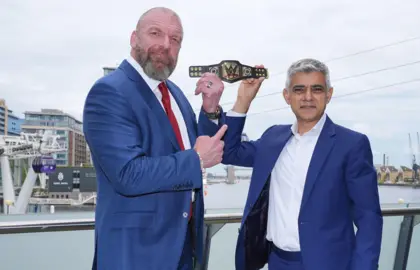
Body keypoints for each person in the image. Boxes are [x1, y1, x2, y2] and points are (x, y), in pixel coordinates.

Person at [83, 7, 227, 270]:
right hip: (137, 255)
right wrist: (196, 159)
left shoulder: (175, 94)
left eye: (175, 39)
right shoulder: (109, 92)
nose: (165, 45)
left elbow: (197, 149)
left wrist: (211, 111)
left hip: (183, 248)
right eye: (155, 33)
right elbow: (128, 173)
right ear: (134, 39)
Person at [222, 58, 383, 270]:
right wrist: (244, 100)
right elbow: (229, 152)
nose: (308, 97)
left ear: (329, 94)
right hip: (277, 262)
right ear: (287, 96)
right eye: (299, 90)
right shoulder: (273, 138)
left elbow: (369, 219)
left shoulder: (352, 145)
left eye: (316, 89)